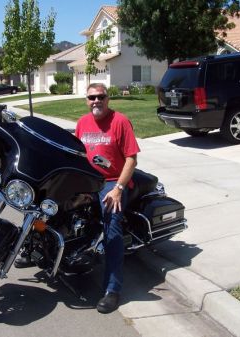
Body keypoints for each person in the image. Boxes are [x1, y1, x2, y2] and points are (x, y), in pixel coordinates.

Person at [75, 83, 140, 314]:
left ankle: (112, 289)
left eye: (100, 96)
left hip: (113, 182)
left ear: (107, 98)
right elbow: (79, 154)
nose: (96, 101)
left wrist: (119, 188)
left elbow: (132, 159)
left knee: (112, 225)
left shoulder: (120, 121)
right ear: (86, 100)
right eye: (92, 97)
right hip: (89, 181)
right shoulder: (83, 123)